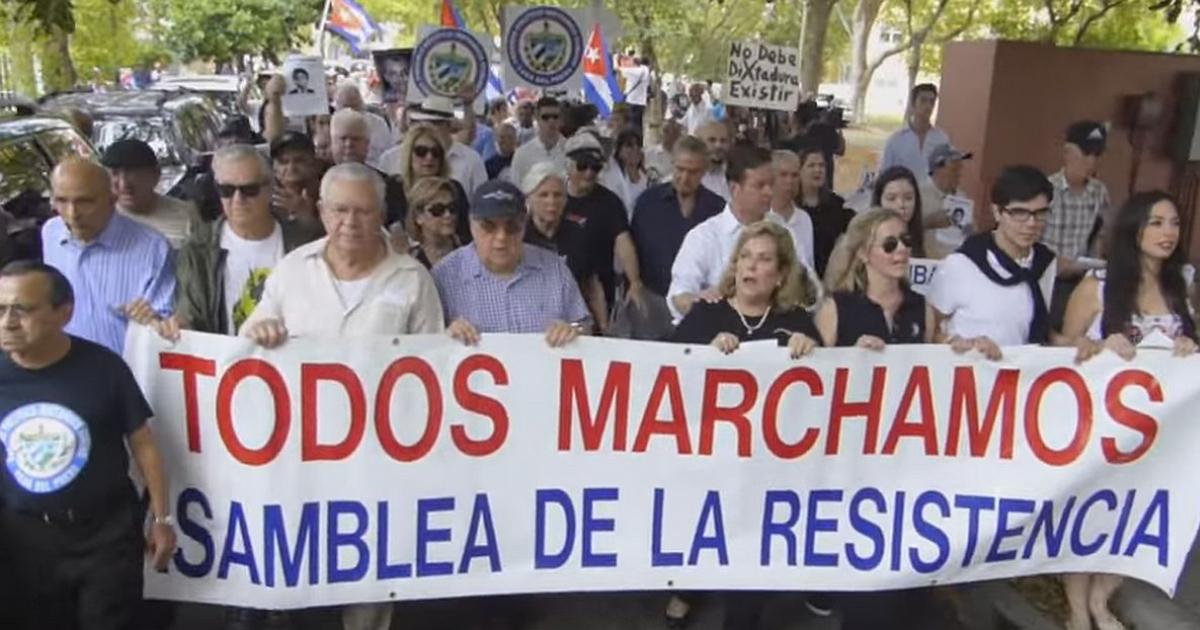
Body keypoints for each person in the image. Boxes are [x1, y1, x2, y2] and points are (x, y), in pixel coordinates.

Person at [239, 162, 445, 630]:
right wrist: (261, 329)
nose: (351, 223)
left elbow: (434, 372)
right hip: (299, 455)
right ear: (322, 212)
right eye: (340, 211)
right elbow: (246, 345)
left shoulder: (412, 279)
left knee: (368, 582)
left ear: (382, 216)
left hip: (379, 459)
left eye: (364, 212)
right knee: (300, 572)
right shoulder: (292, 271)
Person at [0, 260, 176, 630]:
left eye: (23, 309)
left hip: (105, 537)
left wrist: (161, 519)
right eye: (0, 309)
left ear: (64, 313)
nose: (8, 322)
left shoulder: (104, 368)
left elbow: (143, 444)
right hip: (22, 542)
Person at [665, 221, 820, 630]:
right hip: (709, 462)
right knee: (705, 538)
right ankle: (689, 588)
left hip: (767, 471)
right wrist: (705, 354)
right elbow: (664, 372)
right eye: (745, 257)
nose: (752, 266)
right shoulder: (707, 313)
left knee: (749, 569)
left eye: (764, 259)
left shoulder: (796, 321)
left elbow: (823, 394)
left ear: (782, 274)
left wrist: (813, 352)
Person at [1060, 191, 1197, 630]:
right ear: (1134, 229)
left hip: (1159, 436)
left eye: (1174, 224)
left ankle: (1103, 597)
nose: (1167, 233)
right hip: (1101, 427)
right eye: (1156, 223)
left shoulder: (1181, 289)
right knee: (1090, 517)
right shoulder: (1096, 287)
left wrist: (1188, 346)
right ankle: (1079, 610)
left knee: (1137, 519)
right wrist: (1095, 346)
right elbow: (1059, 344)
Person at [41, 159, 175, 356]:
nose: (72, 214)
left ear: (112, 200)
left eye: (84, 202)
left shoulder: (152, 248)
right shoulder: (51, 233)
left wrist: (152, 319)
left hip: (127, 375)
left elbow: (167, 326)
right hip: (67, 368)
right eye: (61, 201)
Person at [433, 180, 592, 343]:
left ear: (524, 224)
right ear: (471, 225)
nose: (501, 237)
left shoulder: (555, 269)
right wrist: (445, 334)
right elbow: (424, 342)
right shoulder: (444, 276)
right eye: (489, 227)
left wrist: (572, 331)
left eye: (512, 227)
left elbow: (584, 326)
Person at [668, 145, 814, 322]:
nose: (769, 192)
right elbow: (678, 296)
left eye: (771, 184)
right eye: (760, 185)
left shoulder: (785, 233)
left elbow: (809, 289)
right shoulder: (703, 237)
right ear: (734, 188)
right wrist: (701, 302)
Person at [926, 165, 1058, 356]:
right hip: (970, 375)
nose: (1031, 223)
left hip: (1018, 377)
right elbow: (931, 327)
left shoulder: (1044, 263)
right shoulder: (962, 263)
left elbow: (1039, 328)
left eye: (1040, 214)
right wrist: (956, 344)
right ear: (997, 212)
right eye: (1019, 213)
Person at [563, 133, 646, 324]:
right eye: (582, 166)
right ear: (568, 166)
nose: (589, 173)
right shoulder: (555, 198)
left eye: (595, 167)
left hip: (599, 294)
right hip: (559, 293)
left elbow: (623, 242)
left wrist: (634, 282)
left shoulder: (610, 202)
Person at [818, 208, 931, 347]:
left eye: (906, 240)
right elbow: (820, 363)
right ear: (863, 253)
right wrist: (853, 355)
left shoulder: (922, 306)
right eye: (889, 244)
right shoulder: (835, 308)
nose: (902, 248)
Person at [1043, 120, 1112, 330]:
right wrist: (1055, 262)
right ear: (1068, 152)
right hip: (1047, 279)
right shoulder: (1047, 190)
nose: (1091, 161)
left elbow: (1101, 233)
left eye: (1096, 155)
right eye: (1086, 153)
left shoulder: (1099, 192)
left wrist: (1097, 258)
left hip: (1082, 279)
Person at [520, 161, 606, 324]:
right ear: (529, 199)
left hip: (574, 322)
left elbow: (592, 284)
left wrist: (605, 327)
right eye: (543, 195)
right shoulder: (519, 236)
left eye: (557, 195)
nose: (551, 202)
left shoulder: (579, 233)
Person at [101, 139, 201, 249]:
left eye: (132, 173)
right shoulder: (99, 220)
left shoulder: (187, 215)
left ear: (156, 175)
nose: (124, 184)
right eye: (115, 174)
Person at [387, 96, 488, 197]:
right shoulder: (390, 158)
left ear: (449, 125)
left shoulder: (471, 160)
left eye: (435, 123)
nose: (428, 127)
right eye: (420, 151)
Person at [392, 124, 471, 243]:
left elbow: (466, 233)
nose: (429, 157)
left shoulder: (454, 188)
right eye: (421, 151)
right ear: (409, 154)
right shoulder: (393, 187)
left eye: (436, 152)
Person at [330, 108, 407, 226]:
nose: (349, 144)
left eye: (356, 139)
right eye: (343, 138)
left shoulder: (390, 187)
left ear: (367, 143)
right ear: (332, 142)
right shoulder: (316, 185)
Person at [796, 146, 854, 278]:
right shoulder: (792, 207)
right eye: (811, 165)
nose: (818, 170)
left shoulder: (837, 204)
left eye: (821, 166)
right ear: (799, 171)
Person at [879, 83, 950, 181]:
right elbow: (884, 174)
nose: (928, 106)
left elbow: (947, 175)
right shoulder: (896, 140)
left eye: (932, 102)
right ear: (913, 104)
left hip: (931, 195)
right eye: (923, 101)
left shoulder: (941, 139)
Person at [919, 144, 972, 259]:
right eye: (954, 169)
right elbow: (903, 229)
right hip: (928, 263)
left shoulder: (962, 197)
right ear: (938, 170)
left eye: (960, 169)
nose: (959, 174)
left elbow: (972, 231)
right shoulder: (919, 195)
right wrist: (929, 222)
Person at [768, 150, 815, 270]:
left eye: (795, 175)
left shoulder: (804, 219)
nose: (790, 181)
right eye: (783, 175)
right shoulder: (760, 216)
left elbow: (809, 265)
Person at [400, 177, 460, 269]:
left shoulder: (474, 249)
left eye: (452, 207)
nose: (448, 215)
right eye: (437, 210)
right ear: (418, 217)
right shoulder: (412, 262)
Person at [333, 82, 394, 165]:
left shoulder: (378, 123)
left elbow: (388, 152)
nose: (350, 111)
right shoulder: (331, 124)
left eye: (354, 106)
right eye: (345, 106)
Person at [871, 166, 926, 257]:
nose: (901, 204)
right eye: (891, 199)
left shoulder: (924, 241)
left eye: (908, 198)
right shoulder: (865, 242)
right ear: (879, 202)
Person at [511, 97, 566, 186]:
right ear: (537, 118)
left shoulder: (571, 151)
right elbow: (516, 190)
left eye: (555, 117)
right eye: (545, 117)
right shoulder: (522, 155)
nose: (551, 121)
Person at [602, 129, 651, 217]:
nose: (635, 149)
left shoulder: (646, 178)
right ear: (619, 150)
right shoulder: (611, 170)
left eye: (638, 145)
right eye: (629, 145)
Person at [698, 121, 732, 201]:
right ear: (699, 143)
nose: (718, 145)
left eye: (723, 140)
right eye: (712, 140)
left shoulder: (737, 175)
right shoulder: (688, 178)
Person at [620, 56, 652, 132]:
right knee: (638, 124)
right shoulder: (646, 71)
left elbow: (620, 70)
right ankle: (638, 140)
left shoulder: (636, 71)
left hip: (632, 102)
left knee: (630, 125)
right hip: (641, 103)